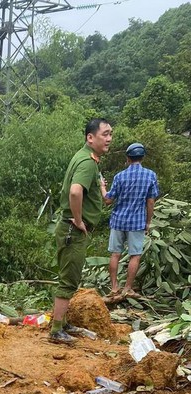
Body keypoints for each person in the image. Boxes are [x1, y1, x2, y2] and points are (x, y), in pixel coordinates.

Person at [50, 118, 113, 345]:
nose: (109, 139)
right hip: (72, 230)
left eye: (110, 134)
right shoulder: (87, 162)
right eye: (104, 134)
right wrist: (78, 220)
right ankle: (56, 330)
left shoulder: (86, 159)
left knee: (68, 275)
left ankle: (62, 322)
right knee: (69, 279)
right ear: (90, 137)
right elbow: (75, 192)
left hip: (69, 228)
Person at [104, 142, 159, 302]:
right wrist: (148, 222)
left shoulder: (119, 176)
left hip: (118, 221)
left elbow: (108, 200)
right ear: (142, 157)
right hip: (137, 222)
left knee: (115, 254)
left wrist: (102, 187)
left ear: (128, 157)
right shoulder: (150, 175)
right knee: (135, 255)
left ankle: (114, 288)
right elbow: (150, 202)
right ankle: (127, 288)